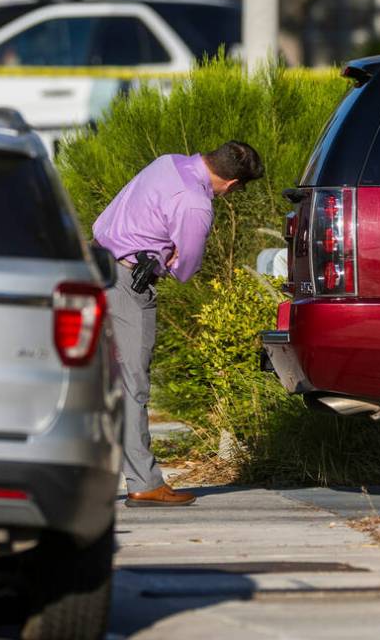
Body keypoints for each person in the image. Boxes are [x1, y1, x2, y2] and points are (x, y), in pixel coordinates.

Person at [94, 141, 264, 506]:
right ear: (232, 185)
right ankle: (143, 483)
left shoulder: (166, 161)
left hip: (93, 264)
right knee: (131, 385)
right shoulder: (195, 203)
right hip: (126, 285)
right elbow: (186, 268)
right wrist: (170, 258)